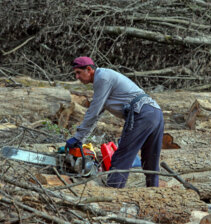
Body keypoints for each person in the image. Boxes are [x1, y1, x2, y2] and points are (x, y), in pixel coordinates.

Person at [66, 56, 164, 188]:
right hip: (155, 112)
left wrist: (78, 137)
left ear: (89, 69)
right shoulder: (105, 78)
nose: (77, 77)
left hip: (142, 113)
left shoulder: (102, 78)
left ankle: (113, 194)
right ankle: (154, 191)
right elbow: (97, 114)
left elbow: (93, 111)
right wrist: (81, 138)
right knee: (150, 159)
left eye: (78, 72)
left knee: (122, 156)